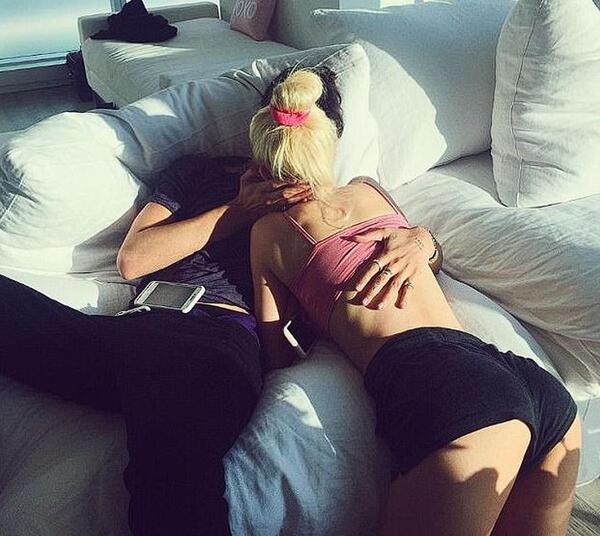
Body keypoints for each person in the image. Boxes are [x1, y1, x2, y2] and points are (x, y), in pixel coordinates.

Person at [0, 75, 432, 535]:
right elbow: (133, 260)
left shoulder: (333, 206)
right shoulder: (200, 173)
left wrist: (423, 242)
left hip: (216, 343)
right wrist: (238, 210)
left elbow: (394, 251)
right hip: (136, 324)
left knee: (172, 486)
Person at [249, 68, 582, 536]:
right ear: (329, 144)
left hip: (454, 396)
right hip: (533, 388)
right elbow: (423, 263)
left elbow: (276, 353)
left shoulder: (268, 233)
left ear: (261, 162)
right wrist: (424, 243)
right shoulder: (368, 191)